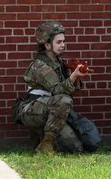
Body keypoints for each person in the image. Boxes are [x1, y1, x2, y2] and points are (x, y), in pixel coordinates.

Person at [13, 20, 101, 154]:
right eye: (59, 42)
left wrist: (75, 71)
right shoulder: (40, 66)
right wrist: (73, 77)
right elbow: (58, 90)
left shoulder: (59, 62)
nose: (63, 45)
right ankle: (46, 143)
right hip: (32, 111)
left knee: (89, 143)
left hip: (53, 110)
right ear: (47, 44)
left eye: (63, 41)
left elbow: (67, 91)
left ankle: (44, 137)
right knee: (64, 101)